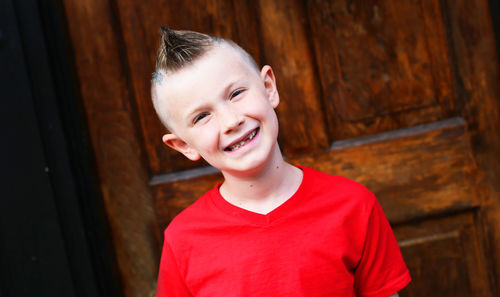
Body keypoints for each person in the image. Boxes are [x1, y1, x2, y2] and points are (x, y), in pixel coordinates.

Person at [150, 26, 411, 297]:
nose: (231, 121)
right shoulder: (182, 239)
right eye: (202, 116)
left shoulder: (355, 206)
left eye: (236, 93)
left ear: (268, 87)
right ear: (184, 145)